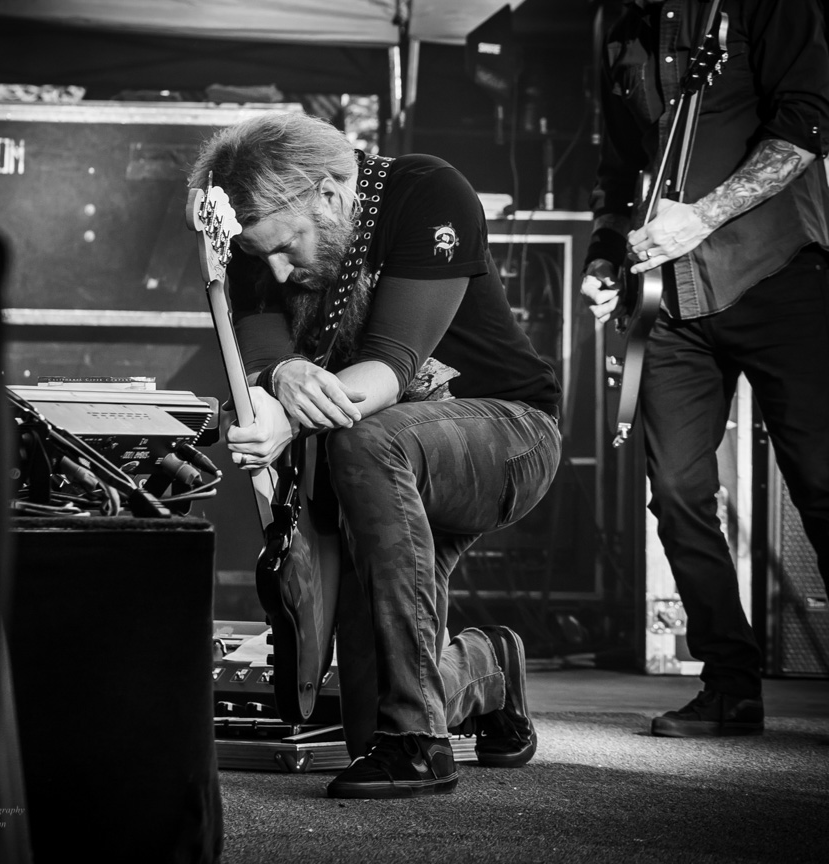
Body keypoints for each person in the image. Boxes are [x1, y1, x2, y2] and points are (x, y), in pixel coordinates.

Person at [189, 111, 562, 798]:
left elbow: (390, 369)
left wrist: (288, 421)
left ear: (329, 197)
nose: (275, 268)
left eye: (286, 246)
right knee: (374, 708)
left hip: (505, 435)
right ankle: (486, 668)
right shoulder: (251, 244)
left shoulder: (426, 192)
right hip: (375, 472)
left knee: (363, 433)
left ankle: (419, 746)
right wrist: (280, 381)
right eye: (257, 253)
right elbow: (266, 355)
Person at [580, 0, 829, 738]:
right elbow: (618, 163)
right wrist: (602, 253)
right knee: (680, 495)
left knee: (820, 486)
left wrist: (704, 215)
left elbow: (807, 125)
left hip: (778, 273)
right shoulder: (616, 25)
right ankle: (731, 684)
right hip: (668, 300)